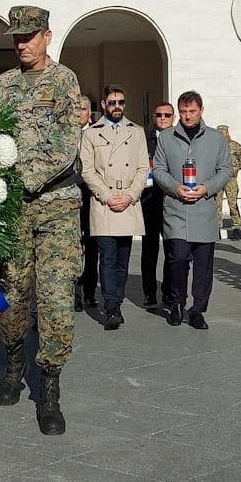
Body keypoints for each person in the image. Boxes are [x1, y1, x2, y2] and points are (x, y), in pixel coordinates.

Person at [0, 5, 81, 436]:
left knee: (57, 296)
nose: (22, 44)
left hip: (57, 204)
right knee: (11, 293)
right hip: (12, 208)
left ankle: (49, 387)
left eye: (29, 36)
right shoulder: (3, 85)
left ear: (47, 35)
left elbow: (67, 141)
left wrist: (28, 177)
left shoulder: (65, 81)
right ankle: (13, 361)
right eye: (16, 38)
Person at [152, 91, 231, 330]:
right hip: (177, 209)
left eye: (192, 112)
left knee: (204, 266)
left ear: (201, 111)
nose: (187, 116)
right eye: (184, 112)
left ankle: (198, 310)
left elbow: (225, 170)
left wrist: (207, 188)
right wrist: (175, 187)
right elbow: (158, 169)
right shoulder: (166, 138)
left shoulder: (216, 139)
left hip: (204, 209)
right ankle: (176, 302)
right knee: (177, 260)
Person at [79, 84, 148, 331]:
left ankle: (116, 299)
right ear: (104, 104)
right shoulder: (91, 134)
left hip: (128, 201)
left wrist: (130, 195)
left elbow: (142, 168)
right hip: (103, 202)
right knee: (107, 257)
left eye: (120, 102)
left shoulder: (137, 132)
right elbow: (87, 170)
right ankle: (111, 308)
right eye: (112, 102)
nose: (117, 106)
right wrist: (107, 195)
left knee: (122, 258)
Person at [140, 101, 175, 307]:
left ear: (173, 118)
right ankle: (149, 292)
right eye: (159, 115)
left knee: (172, 248)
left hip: (171, 200)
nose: (163, 118)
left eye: (167, 115)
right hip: (149, 199)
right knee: (149, 249)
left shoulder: (179, 139)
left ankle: (169, 291)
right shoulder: (145, 139)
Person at [75, 93, 99, 311]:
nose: (79, 113)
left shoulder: (96, 135)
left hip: (91, 196)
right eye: (75, 109)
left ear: (89, 113)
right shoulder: (64, 135)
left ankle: (90, 292)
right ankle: (74, 293)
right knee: (72, 247)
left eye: (82, 109)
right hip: (70, 196)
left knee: (91, 246)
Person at [216, 125, 241, 232]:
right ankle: (218, 224)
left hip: (231, 179)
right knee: (217, 202)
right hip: (218, 178)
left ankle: (236, 224)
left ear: (228, 133)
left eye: (224, 134)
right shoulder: (214, 146)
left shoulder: (235, 146)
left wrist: (236, 169)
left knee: (232, 202)